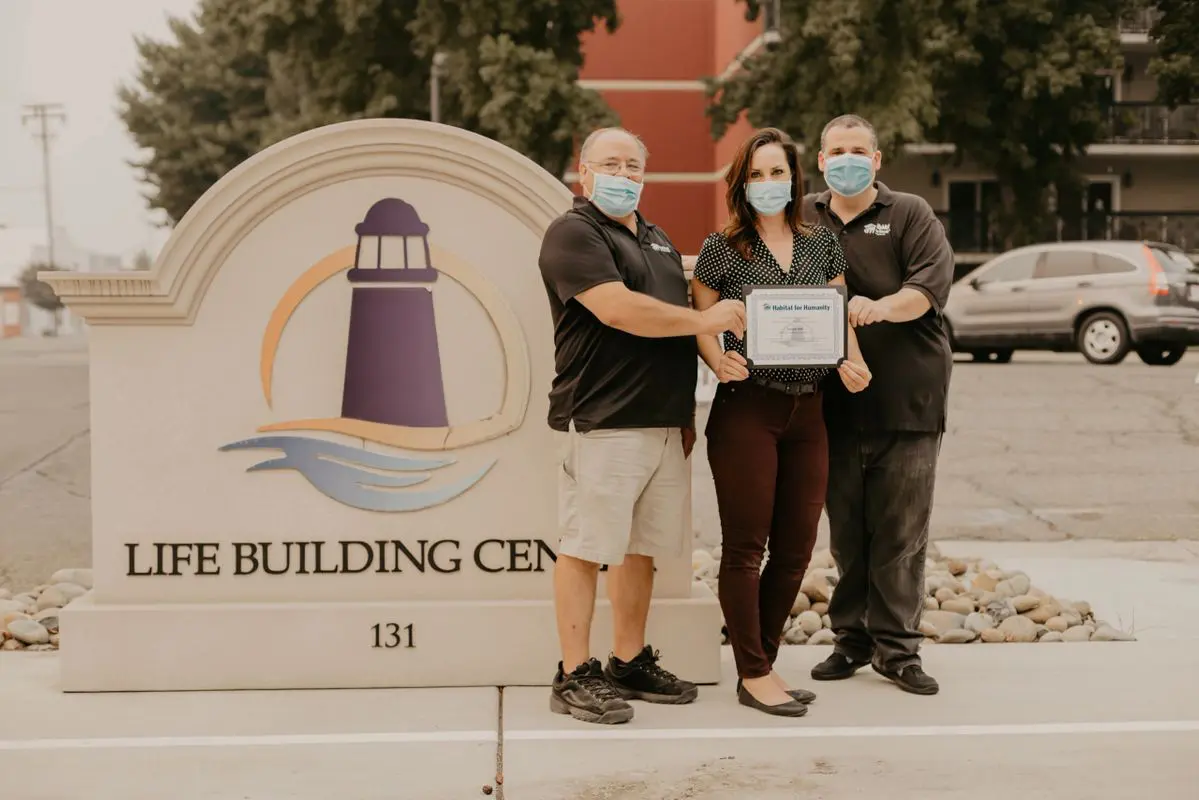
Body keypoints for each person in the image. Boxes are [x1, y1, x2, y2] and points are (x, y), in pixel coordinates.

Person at [537, 126, 749, 725]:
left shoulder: (654, 237)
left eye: (634, 165)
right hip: (603, 419)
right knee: (585, 547)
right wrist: (707, 322)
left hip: (661, 423)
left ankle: (626, 661)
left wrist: (682, 413)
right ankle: (573, 673)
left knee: (640, 551)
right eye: (611, 163)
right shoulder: (573, 233)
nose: (624, 174)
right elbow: (619, 310)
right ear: (584, 172)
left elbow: (670, 328)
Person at [692, 127, 871, 717]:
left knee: (796, 549)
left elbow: (838, 311)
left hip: (810, 409)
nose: (768, 183)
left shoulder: (822, 244)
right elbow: (703, 323)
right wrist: (719, 357)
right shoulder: (722, 248)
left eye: (778, 173)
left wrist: (855, 358)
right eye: (757, 174)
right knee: (746, 548)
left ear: (795, 179)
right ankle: (753, 672)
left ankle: (762, 664)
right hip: (749, 408)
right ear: (741, 183)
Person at [802, 114, 955, 696]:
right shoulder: (802, 216)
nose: (847, 159)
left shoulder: (910, 213)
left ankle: (899, 650)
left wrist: (878, 306)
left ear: (877, 158)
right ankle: (851, 641)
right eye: (836, 150)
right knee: (846, 526)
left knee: (900, 530)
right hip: (830, 401)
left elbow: (927, 290)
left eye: (857, 150)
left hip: (908, 400)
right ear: (821, 159)